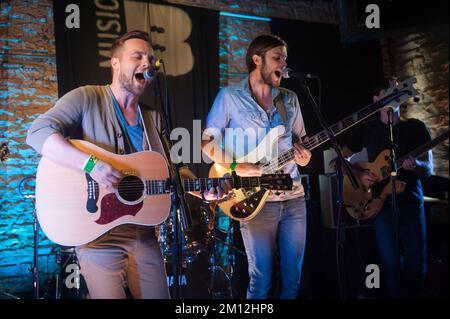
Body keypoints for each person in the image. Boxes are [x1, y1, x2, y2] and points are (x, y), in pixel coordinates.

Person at [26, 30, 227, 299]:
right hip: (98, 239)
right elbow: (37, 133)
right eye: (138, 56)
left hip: (144, 236)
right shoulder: (87, 97)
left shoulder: (153, 119)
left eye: (151, 58)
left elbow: (174, 171)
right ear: (116, 63)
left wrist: (201, 190)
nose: (147, 63)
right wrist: (91, 165)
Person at [201, 34, 312, 299]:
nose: (284, 64)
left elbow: (303, 142)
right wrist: (237, 166)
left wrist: (304, 157)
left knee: (293, 280)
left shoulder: (290, 99)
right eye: (277, 57)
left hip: (294, 196)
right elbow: (206, 143)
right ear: (256, 59)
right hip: (255, 199)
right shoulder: (230, 97)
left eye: (285, 58)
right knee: (261, 280)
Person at [340, 78, 433, 298]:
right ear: (376, 99)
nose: (394, 94)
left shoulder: (416, 127)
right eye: (388, 91)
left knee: (416, 265)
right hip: (379, 204)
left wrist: (416, 165)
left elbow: (428, 169)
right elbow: (339, 161)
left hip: (411, 201)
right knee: (390, 266)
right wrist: (360, 173)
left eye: (397, 89)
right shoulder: (367, 129)